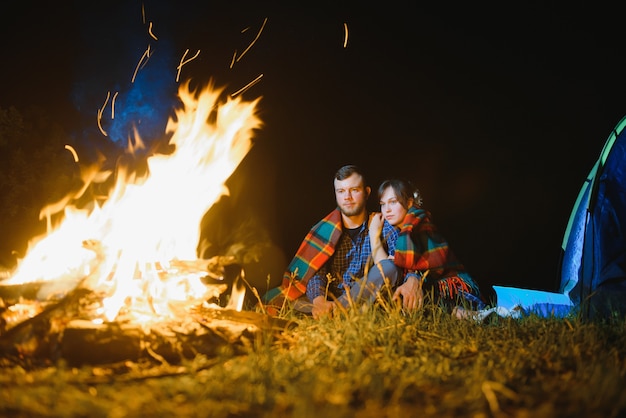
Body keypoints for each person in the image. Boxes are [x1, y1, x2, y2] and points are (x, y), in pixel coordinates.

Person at [262, 165, 400, 318]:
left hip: (366, 298)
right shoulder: (325, 229)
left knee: (389, 267)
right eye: (341, 191)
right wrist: (319, 302)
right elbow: (315, 272)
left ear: (367, 193)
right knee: (290, 301)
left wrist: (375, 236)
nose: (347, 197)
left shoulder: (381, 223)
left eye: (354, 190)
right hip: (327, 299)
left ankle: (339, 311)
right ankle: (331, 312)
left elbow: (400, 265)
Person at [369, 178, 484, 313]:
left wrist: (374, 235)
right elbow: (384, 270)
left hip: (455, 290)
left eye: (393, 202)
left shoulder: (418, 223)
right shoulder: (397, 231)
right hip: (430, 288)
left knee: (411, 295)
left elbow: (427, 267)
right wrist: (375, 234)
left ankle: (466, 314)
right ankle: (462, 314)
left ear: (409, 202)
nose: (387, 210)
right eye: (383, 204)